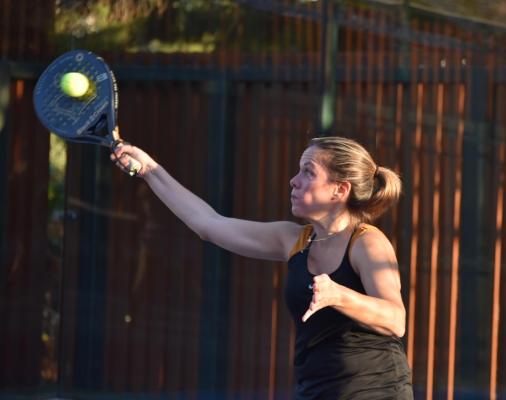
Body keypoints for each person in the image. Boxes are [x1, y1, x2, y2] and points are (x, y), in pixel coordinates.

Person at [112, 135, 413, 399]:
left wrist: (339, 295)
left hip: (378, 391)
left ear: (339, 190)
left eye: (308, 172)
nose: (294, 180)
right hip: (317, 390)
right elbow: (209, 224)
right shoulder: (294, 240)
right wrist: (149, 170)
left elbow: (395, 319)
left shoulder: (367, 242)